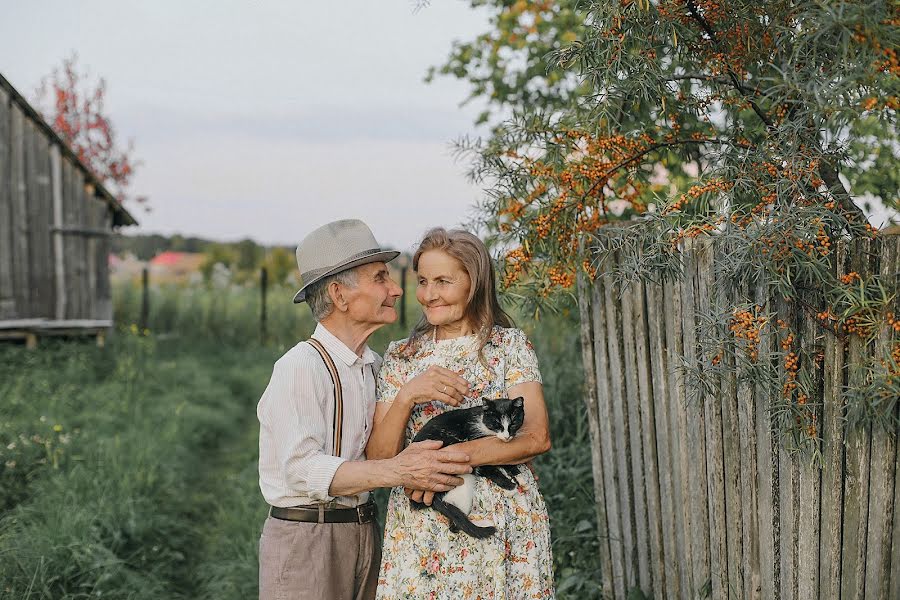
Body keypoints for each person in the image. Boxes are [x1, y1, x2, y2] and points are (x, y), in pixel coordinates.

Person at [257, 219, 474, 600]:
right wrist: (398, 470)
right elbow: (299, 469)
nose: (395, 290)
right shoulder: (300, 366)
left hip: (365, 531)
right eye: (380, 278)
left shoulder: (375, 366)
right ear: (340, 295)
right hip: (307, 538)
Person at [366, 227, 555, 600]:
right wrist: (407, 396)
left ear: (475, 282)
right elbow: (380, 460)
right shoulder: (402, 357)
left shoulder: (508, 346)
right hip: (426, 524)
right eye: (422, 281)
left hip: (504, 518)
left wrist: (444, 463)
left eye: (443, 281)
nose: (428, 294)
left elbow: (536, 437)